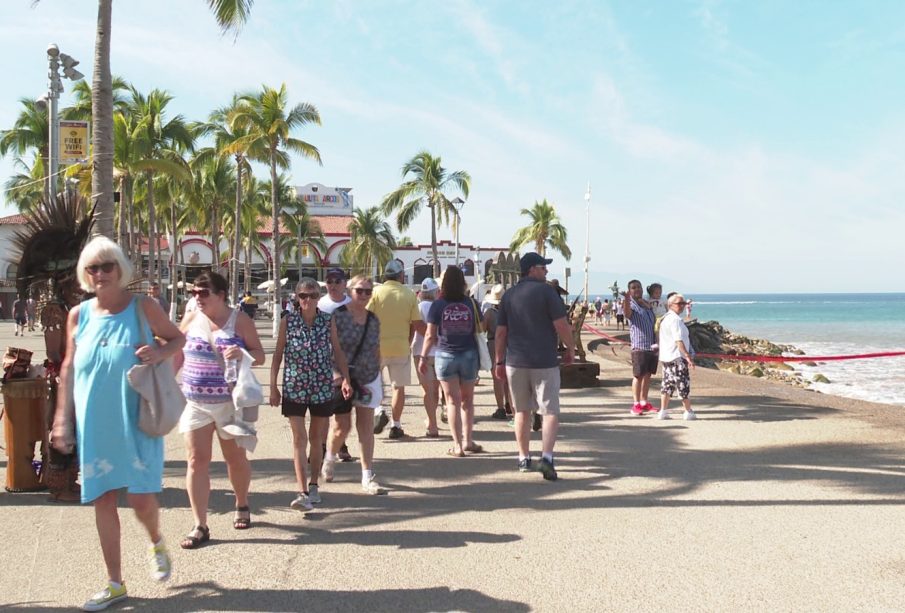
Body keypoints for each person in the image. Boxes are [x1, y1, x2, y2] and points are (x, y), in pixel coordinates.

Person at [51, 236, 185, 611]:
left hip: (136, 417)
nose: (100, 273)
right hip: (95, 422)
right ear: (84, 273)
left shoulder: (143, 307)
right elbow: (68, 367)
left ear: (120, 269)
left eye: (107, 266)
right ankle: (115, 583)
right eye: (92, 267)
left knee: (141, 498)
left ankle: (156, 539)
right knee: (103, 499)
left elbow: (178, 339)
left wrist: (159, 352)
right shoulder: (79, 314)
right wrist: (63, 419)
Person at [175, 272, 265, 549]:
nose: (197, 298)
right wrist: (164, 385)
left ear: (221, 294)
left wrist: (242, 354)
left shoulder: (240, 320)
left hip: (229, 404)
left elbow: (259, 355)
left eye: (204, 293)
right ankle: (200, 524)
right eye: (194, 293)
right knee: (195, 461)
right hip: (195, 403)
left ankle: (242, 502)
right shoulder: (191, 318)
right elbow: (176, 353)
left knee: (234, 460)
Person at [494, 252, 575, 481]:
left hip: (515, 362)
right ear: (532, 269)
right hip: (544, 361)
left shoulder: (509, 296)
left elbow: (501, 332)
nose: (546, 271)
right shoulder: (548, 292)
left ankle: (523, 457)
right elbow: (561, 324)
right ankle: (547, 457)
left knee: (521, 411)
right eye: (543, 267)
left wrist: (499, 360)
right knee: (549, 411)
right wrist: (570, 348)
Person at [270, 278, 337, 511]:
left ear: (319, 298)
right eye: (303, 296)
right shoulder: (287, 322)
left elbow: (337, 352)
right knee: (300, 438)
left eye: (312, 296)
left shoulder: (328, 321)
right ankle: (302, 492)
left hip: (321, 386)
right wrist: (273, 386)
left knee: (316, 437)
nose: (307, 300)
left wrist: (345, 378)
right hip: (294, 385)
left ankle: (314, 483)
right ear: (296, 298)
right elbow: (278, 355)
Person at [322, 275, 385, 494]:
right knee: (342, 426)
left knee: (366, 426)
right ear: (350, 291)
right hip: (340, 377)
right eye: (360, 291)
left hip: (367, 377)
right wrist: (337, 376)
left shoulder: (373, 319)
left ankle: (367, 476)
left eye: (369, 291)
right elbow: (327, 350)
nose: (365, 295)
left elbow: (375, 349)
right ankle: (329, 457)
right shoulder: (337, 317)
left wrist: (378, 373)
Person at [420, 266, 483, 457]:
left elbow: (430, 335)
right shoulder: (471, 303)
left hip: (445, 355)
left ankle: (457, 446)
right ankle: (468, 440)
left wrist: (423, 357)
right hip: (469, 354)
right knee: (468, 400)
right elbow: (481, 327)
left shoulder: (438, 304)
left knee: (451, 401)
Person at [368, 260, 425, 439]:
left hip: (376, 347)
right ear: (401, 275)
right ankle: (396, 425)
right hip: (400, 347)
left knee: (373, 384)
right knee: (398, 388)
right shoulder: (409, 295)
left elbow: (366, 318)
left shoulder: (375, 293)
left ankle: (378, 411)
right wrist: (408, 341)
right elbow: (416, 324)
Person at [317, 268, 354, 462]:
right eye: (329, 281)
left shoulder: (352, 304)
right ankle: (322, 448)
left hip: (347, 362)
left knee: (343, 410)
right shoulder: (321, 304)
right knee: (324, 408)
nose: (332, 285)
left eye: (337, 281)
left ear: (345, 283)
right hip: (323, 362)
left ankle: (340, 445)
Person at [658, 293, 696, 420]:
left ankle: (663, 410)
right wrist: (687, 356)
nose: (682, 306)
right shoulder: (675, 320)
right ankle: (688, 411)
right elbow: (678, 340)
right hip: (676, 357)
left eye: (683, 303)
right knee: (682, 384)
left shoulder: (666, 318)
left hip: (667, 356)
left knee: (667, 384)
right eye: (679, 304)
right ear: (670, 305)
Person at [411, 277, 442, 437]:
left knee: (428, 391)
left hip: (420, 351)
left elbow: (414, 326)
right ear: (436, 292)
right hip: (438, 351)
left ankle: (432, 424)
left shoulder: (418, 307)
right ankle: (432, 421)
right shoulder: (439, 307)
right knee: (435, 390)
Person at [623, 279, 658, 415]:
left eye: (639, 287)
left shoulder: (646, 305)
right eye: (633, 288)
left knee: (648, 375)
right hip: (639, 346)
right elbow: (627, 314)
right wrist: (626, 299)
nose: (637, 289)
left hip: (652, 345)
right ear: (630, 291)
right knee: (638, 375)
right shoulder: (631, 305)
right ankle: (636, 403)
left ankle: (644, 401)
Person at [483, 284, 512, 420]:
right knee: (508, 378)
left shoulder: (489, 313)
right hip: (510, 343)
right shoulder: (511, 311)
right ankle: (509, 403)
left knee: (497, 378)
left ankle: (500, 407)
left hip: (493, 343)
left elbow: (482, 329)